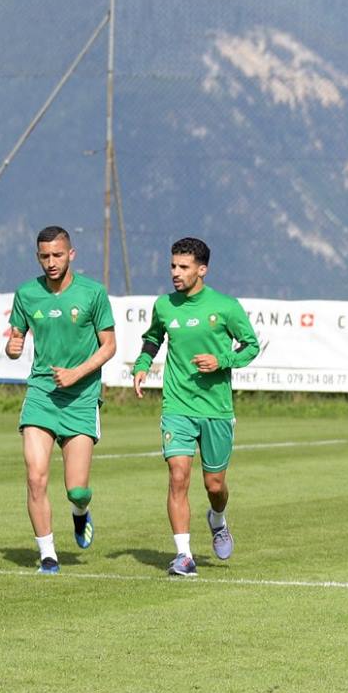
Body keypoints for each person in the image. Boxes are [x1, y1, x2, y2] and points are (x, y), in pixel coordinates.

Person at [130, 237, 259, 577]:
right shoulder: (164, 306)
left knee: (214, 485)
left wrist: (221, 360)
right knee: (178, 476)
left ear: (202, 270)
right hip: (177, 405)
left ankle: (217, 519)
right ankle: (184, 556)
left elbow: (251, 346)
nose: (176, 272)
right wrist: (142, 363)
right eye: (173, 265)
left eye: (183, 267)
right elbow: (153, 337)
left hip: (216, 408)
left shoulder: (226, 307)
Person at [6, 226, 116, 573]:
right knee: (35, 477)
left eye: (57, 255)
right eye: (44, 256)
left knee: (77, 490)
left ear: (72, 254)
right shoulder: (26, 294)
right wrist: (12, 348)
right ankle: (48, 555)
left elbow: (109, 346)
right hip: (41, 394)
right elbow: (16, 338)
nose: (50, 263)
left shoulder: (93, 293)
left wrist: (77, 373)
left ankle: (80, 514)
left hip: (81, 398)